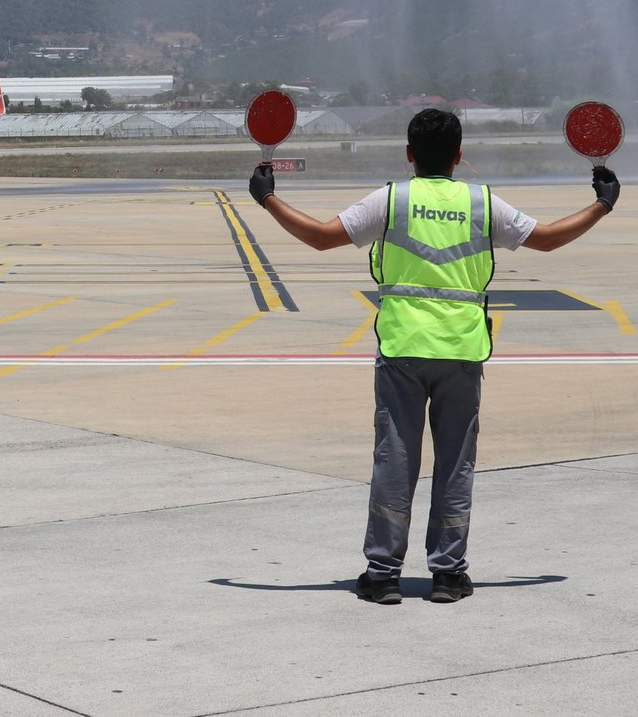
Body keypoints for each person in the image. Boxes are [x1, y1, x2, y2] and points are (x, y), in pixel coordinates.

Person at [247, 107, 618, 605]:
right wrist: (602, 205)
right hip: (462, 352)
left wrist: (268, 198)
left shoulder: (393, 199)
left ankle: (382, 575)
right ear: (460, 156)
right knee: (455, 464)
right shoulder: (483, 203)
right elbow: (547, 240)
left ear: (409, 155)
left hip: (402, 350)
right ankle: (447, 573)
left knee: (395, 461)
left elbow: (320, 237)